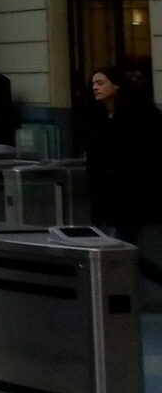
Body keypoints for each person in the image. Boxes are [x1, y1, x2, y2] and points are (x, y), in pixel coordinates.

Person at [82, 67, 162, 287]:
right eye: (93, 84)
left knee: (121, 250)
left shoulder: (139, 115)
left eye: (100, 82)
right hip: (108, 196)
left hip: (131, 194)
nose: (95, 87)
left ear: (115, 85)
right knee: (124, 250)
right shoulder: (97, 117)